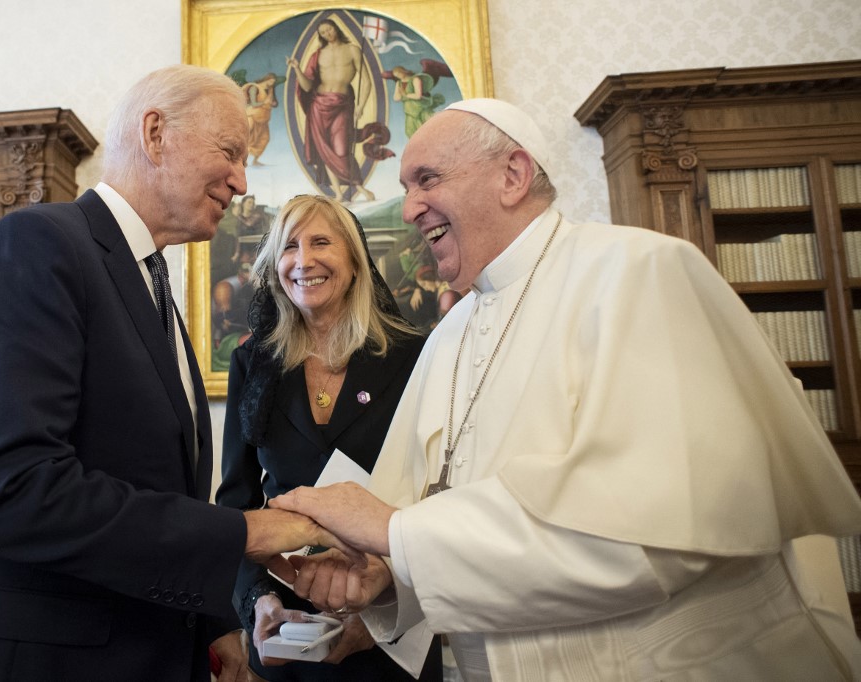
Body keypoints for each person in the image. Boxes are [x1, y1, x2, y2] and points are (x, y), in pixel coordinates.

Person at [270, 98, 861, 680]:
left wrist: (396, 534)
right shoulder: (448, 334)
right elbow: (429, 519)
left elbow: (654, 532)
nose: (410, 208)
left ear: (513, 175)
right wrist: (388, 576)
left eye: (427, 179)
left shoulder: (639, 272)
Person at [0, 64, 352, 682]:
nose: (241, 179)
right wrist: (242, 532)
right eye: (229, 151)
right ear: (155, 134)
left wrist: (213, 625)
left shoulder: (154, 285)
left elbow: (155, 487)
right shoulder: (38, 246)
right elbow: (12, 492)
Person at [215, 194, 441, 681]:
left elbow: (438, 492)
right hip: (287, 632)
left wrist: (383, 608)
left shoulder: (416, 355)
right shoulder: (252, 364)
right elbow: (237, 501)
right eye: (289, 246)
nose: (304, 260)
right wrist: (259, 600)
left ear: (356, 262)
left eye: (321, 242)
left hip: (390, 622)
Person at [287, 19, 375, 203]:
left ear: (336, 28)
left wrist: (361, 106)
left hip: (342, 104)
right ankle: (339, 193)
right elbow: (307, 86)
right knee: (323, 149)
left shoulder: (352, 50)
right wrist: (297, 69)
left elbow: (366, 81)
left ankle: (358, 186)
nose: (327, 34)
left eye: (329, 29)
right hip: (318, 105)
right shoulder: (318, 55)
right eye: (323, 32)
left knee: (341, 148)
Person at [243, 73, 282, 166]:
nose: (271, 84)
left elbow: (273, 103)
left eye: (273, 82)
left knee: (264, 139)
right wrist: (265, 102)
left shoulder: (270, 90)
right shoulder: (255, 88)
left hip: (263, 119)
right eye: (270, 81)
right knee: (247, 138)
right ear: (266, 79)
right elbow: (253, 104)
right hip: (252, 116)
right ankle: (242, 160)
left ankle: (255, 161)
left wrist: (273, 103)